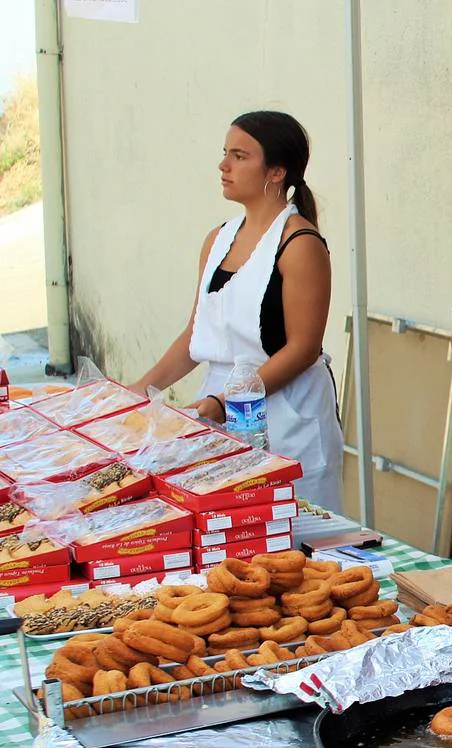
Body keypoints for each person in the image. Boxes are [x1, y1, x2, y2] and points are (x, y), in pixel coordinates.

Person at [131, 110, 344, 513]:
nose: (223, 165)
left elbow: (303, 349)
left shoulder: (300, 244)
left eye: (240, 156)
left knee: (294, 542)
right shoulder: (218, 238)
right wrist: (139, 391)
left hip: (286, 418)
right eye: (225, 153)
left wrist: (227, 401)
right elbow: (196, 334)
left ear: (277, 171)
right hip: (219, 412)